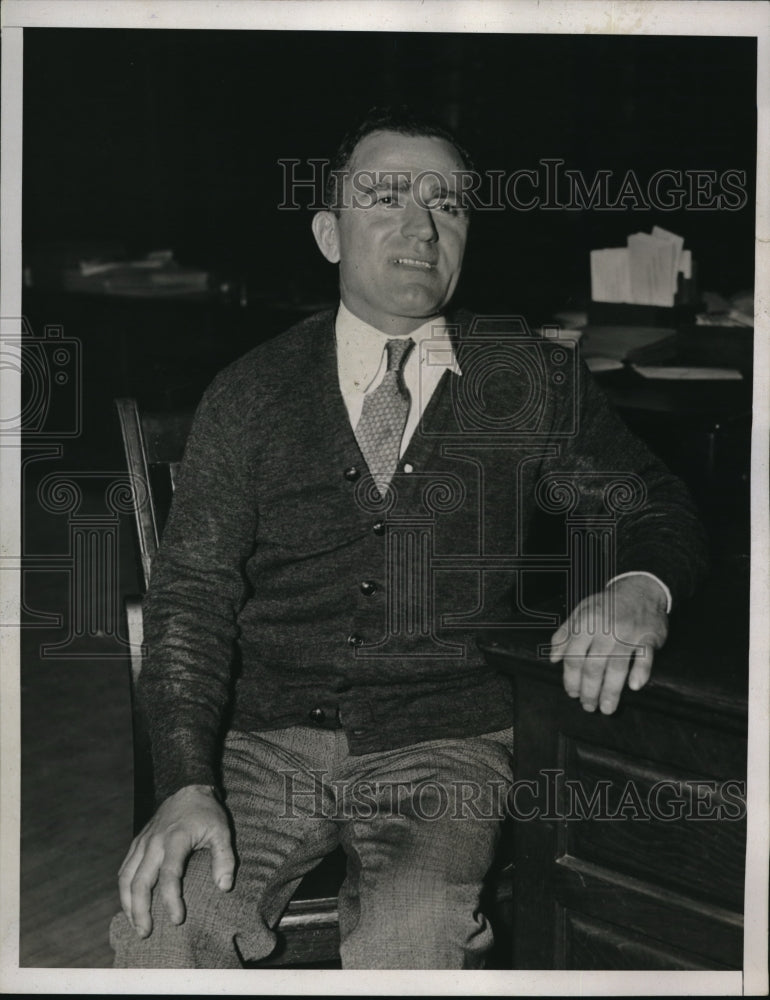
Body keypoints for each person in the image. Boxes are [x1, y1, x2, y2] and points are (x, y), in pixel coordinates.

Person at [110, 107, 706, 969]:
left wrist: (641, 585)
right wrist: (184, 783)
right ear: (328, 232)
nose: (421, 228)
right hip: (263, 745)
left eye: (450, 206)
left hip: (447, 748)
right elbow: (189, 599)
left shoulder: (531, 381)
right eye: (386, 198)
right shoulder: (250, 393)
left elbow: (659, 507)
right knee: (160, 922)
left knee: (415, 937)